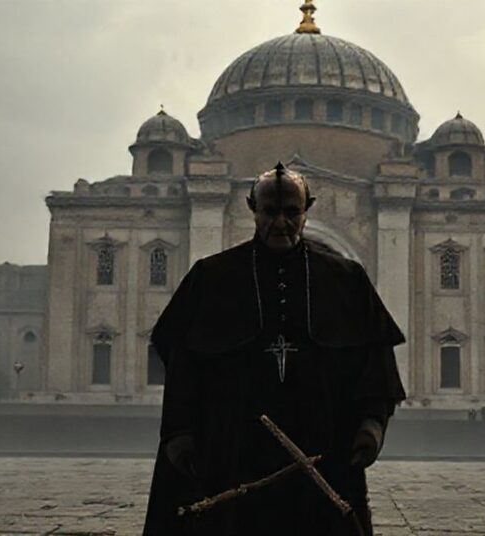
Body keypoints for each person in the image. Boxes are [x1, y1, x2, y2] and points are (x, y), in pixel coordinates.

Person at [143, 163, 406, 536]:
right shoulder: (212, 277)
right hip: (235, 446)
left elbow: (374, 360)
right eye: (269, 212)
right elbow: (184, 362)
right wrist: (179, 432)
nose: (280, 223)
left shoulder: (346, 280)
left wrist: (372, 423)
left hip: (323, 443)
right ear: (252, 208)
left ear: (307, 210)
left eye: (291, 212)